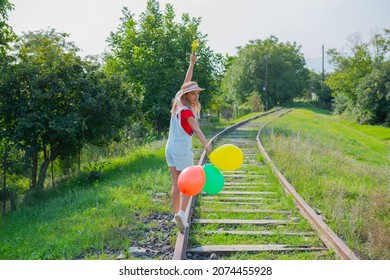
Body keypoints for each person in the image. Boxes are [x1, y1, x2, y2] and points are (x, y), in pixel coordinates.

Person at [165, 53, 212, 233]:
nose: (195, 96)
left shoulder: (177, 103)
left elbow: (186, 81)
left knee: (176, 182)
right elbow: (198, 130)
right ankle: (182, 215)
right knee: (187, 184)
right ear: (186, 95)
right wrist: (206, 145)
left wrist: (191, 64)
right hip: (181, 150)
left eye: (196, 93)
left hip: (169, 148)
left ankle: (176, 213)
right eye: (192, 94)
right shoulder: (187, 113)